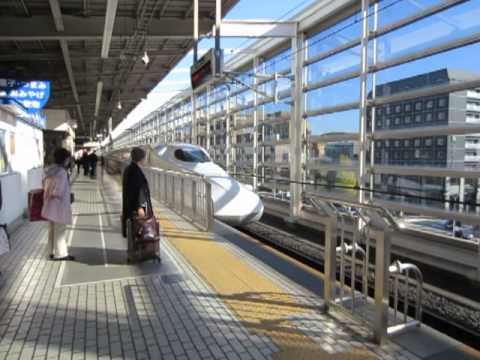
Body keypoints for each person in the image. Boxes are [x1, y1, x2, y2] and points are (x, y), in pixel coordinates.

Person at [41, 148, 75, 261]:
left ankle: (50, 252)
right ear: (64, 159)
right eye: (67, 158)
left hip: (49, 206)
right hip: (59, 207)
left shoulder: (49, 170)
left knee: (51, 230)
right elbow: (59, 191)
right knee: (60, 231)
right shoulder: (62, 172)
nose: (68, 161)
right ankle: (61, 254)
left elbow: (44, 186)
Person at [121, 147, 151, 238]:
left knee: (133, 235)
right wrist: (140, 207)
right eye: (144, 157)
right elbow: (137, 191)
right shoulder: (135, 172)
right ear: (141, 158)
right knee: (138, 234)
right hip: (136, 210)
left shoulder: (129, 169)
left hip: (130, 207)